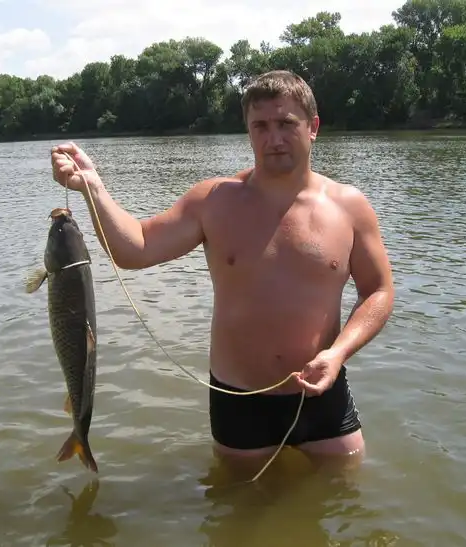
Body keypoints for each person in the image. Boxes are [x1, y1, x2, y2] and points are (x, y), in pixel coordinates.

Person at [50, 70, 395, 467]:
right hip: (239, 402)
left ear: (313, 127)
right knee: (238, 499)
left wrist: (338, 354)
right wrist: (92, 186)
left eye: (286, 123)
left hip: (323, 392)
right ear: (248, 130)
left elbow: (378, 290)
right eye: (260, 126)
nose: (274, 138)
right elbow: (136, 248)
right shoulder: (214, 200)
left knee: (346, 490)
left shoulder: (350, 206)